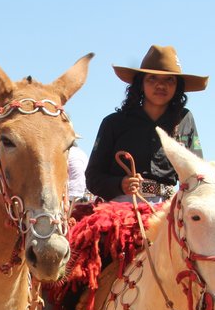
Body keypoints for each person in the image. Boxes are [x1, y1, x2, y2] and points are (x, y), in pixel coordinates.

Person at [85, 45, 206, 203]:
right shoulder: (113, 123)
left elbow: (198, 172)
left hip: (169, 208)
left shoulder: (185, 119)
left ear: (178, 86)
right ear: (140, 83)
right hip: (120, 208)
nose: (161, 85)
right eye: (152, 78)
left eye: (169, 79)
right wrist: (120, 184)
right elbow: (93, 178)